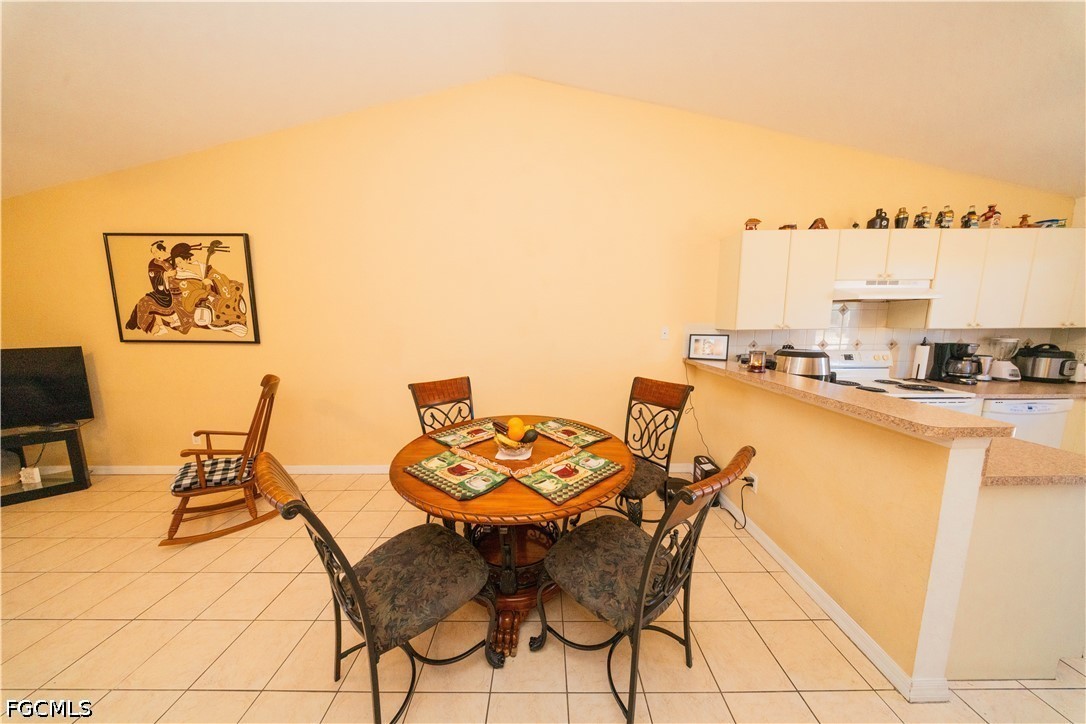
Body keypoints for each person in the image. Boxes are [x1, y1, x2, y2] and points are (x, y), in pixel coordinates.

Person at [125, 240, 179, 334]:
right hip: (163, 291)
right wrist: (165, 275)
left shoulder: (174, 258)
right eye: (153, 253)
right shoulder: (154, 263)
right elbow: (154, 276)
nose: (154, 255)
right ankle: (154, 326)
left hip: (177, 290)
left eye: (156, 252)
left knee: (147, 302)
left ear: (162, 250)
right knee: (145, 301)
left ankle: (163, 325)